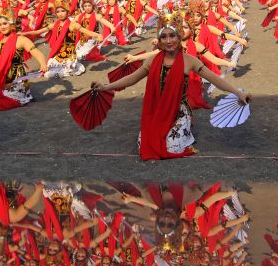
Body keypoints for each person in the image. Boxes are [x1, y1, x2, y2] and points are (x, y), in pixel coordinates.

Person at [90, 11, 252, 160]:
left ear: (179, 36)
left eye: (172, 36)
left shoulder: (189, 61)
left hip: (178, 112)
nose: (169, 41)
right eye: (164, 37)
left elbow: (216, 80)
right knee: (145, 146)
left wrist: (239, 94)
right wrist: (105, 87)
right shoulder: (153, 60)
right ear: (159, 40)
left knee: (172, 147)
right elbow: (132, 78)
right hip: (156, 110)